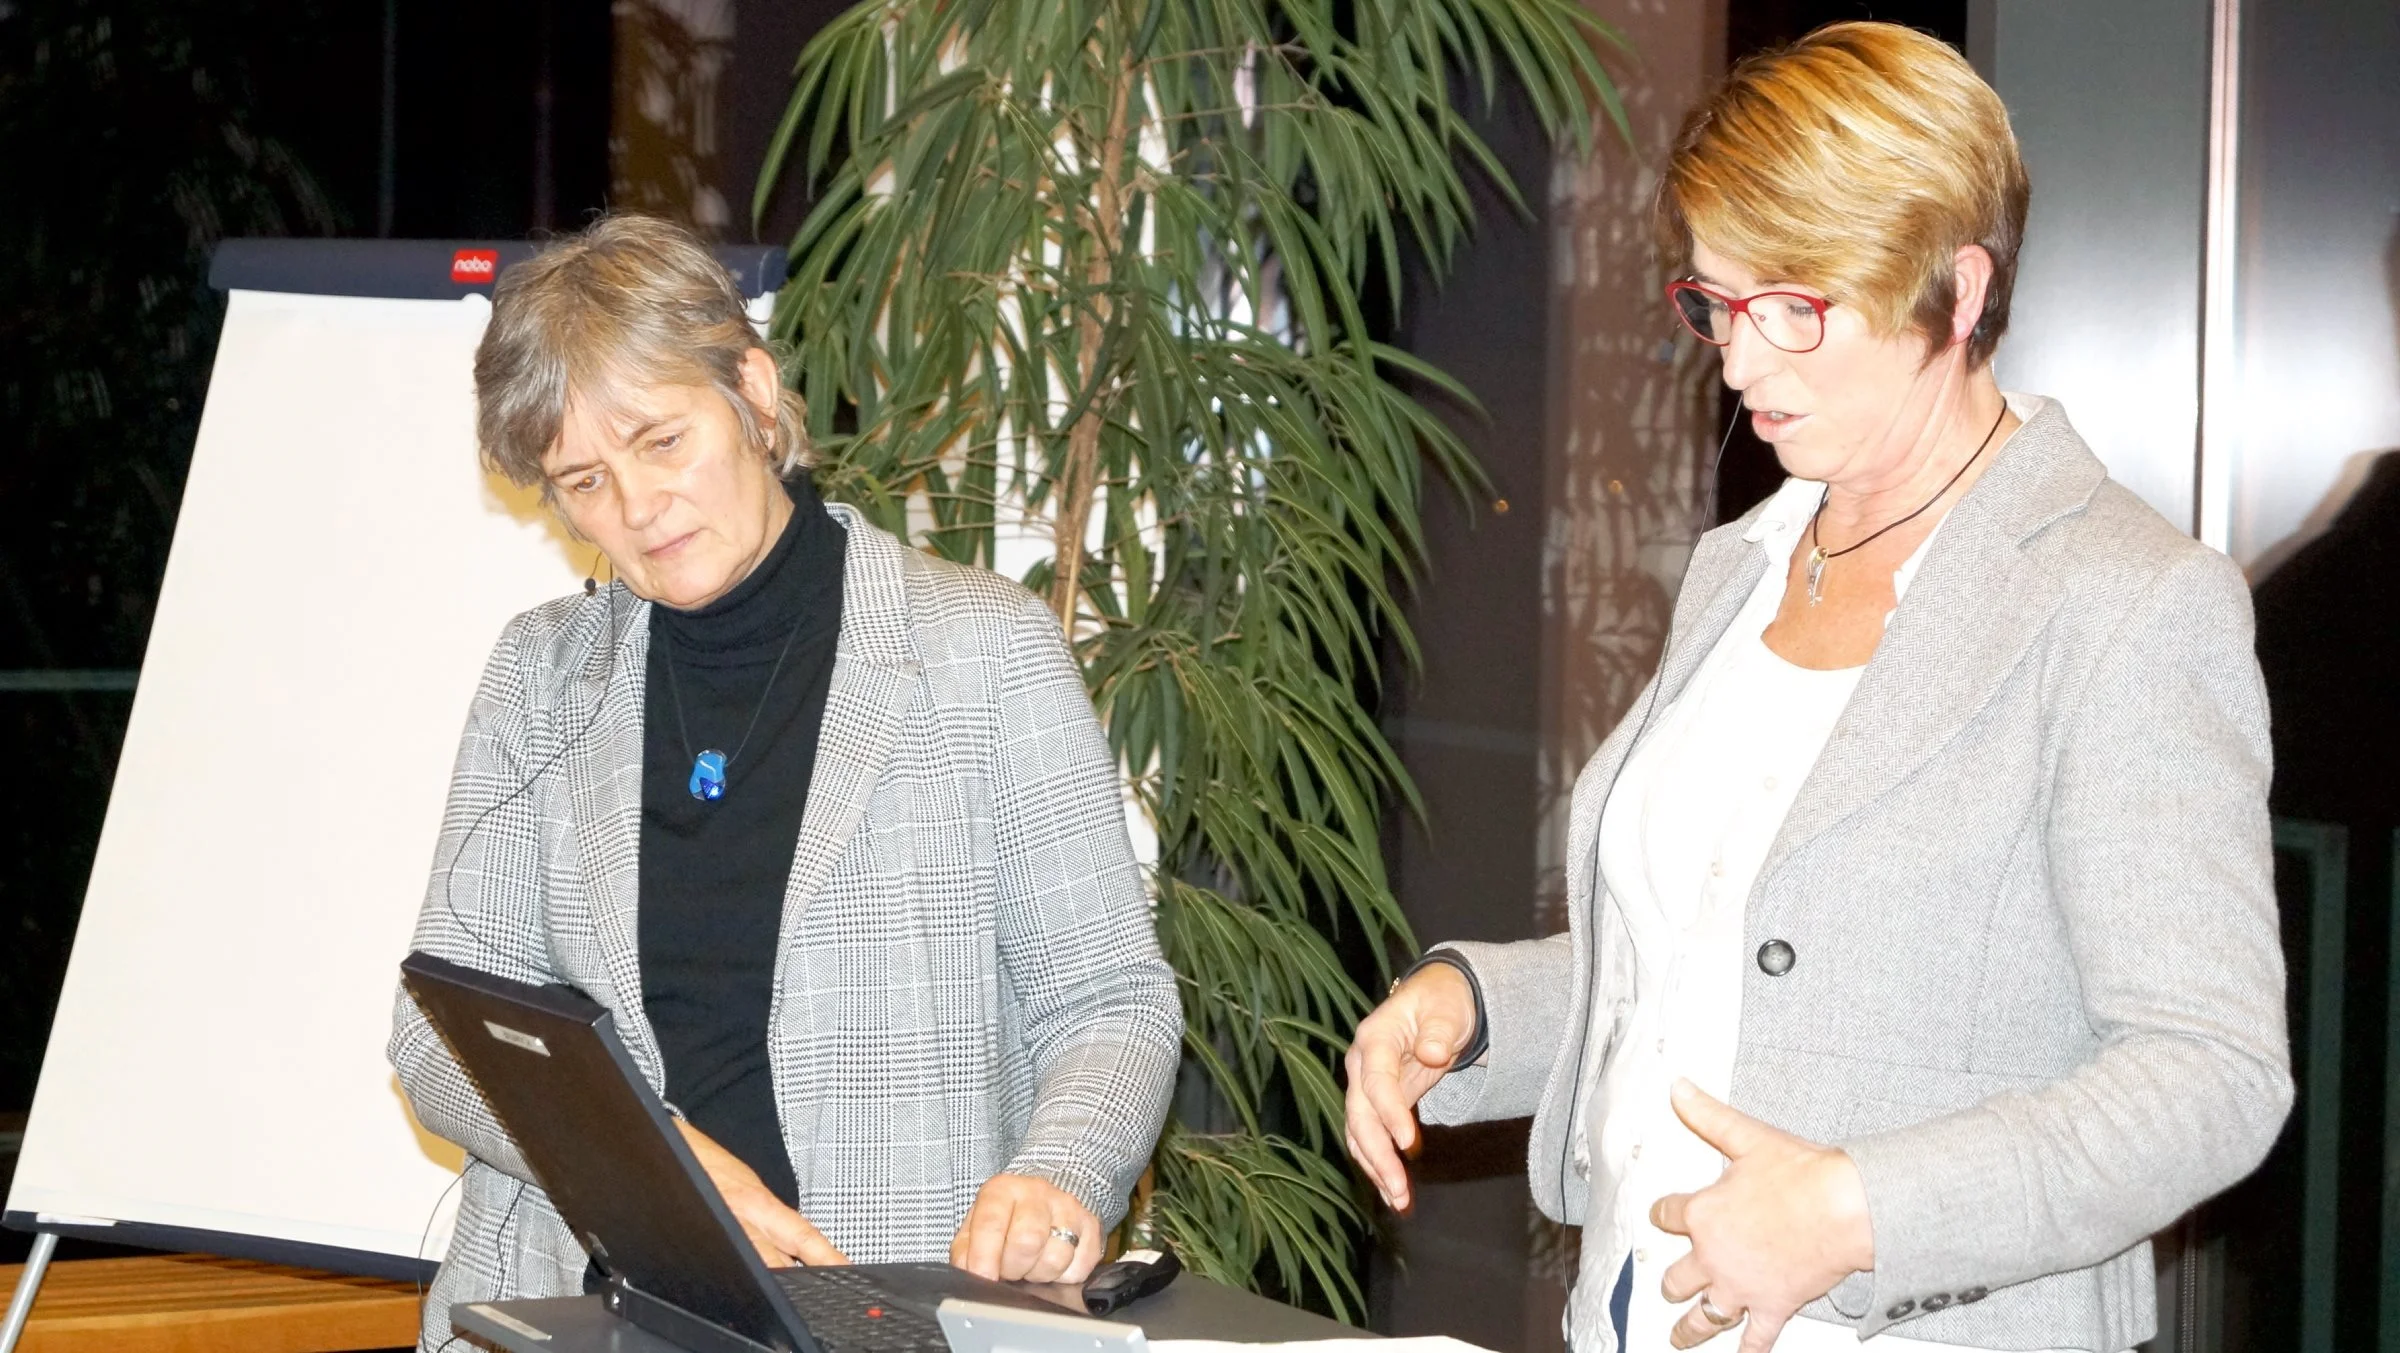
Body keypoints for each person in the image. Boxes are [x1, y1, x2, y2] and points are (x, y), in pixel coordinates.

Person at [1342, 23, 2290, 1353]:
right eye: (1715, 305)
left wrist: (1856, 1210)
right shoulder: (1748, 560)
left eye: (1795, 308)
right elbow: (1734, 951)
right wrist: (1478, 1008)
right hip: (1629, 1310)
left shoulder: (2120, 599)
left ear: (1956, 294)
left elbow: (2211, 1076)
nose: (1739, 364)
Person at [389, 214, 1182, 1349]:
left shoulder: (980, 652)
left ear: (756, 397)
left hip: (886, 1299)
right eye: (584, 481)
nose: (637, 508)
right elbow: (440, 1032)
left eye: (662, 442)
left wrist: (1061, 1173)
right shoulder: (541, 677)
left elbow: (1109, 997)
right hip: (577, 1306)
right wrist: (657, 1163)